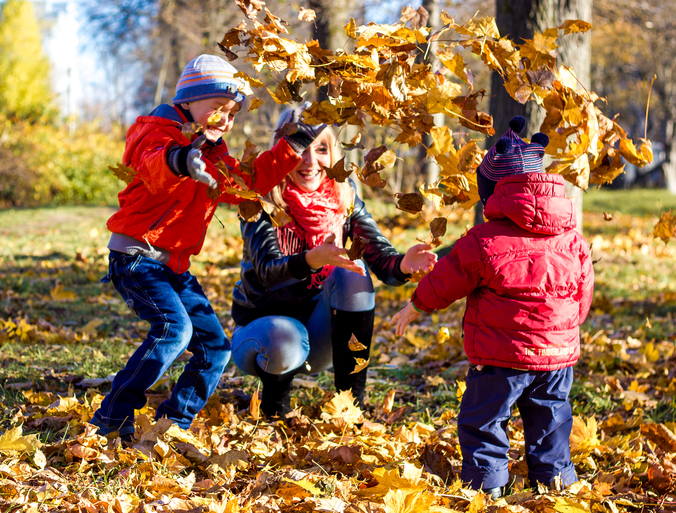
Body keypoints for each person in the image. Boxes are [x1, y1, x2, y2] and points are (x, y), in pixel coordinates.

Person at [90, 55, 326, 440]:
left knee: (216, 347)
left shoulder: (215, 154)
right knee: (174, 330)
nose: (225, 120)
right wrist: (182, 159)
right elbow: (153, 165)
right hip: (136, 257)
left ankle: (173, 423)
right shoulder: (155, 131)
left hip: (175, 269)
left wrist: (295, 143)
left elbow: (247, 183)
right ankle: (111, 417)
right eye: (217, 108)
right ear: (188, 101)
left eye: (232, 113)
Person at [391, 116, 594, 499]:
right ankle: (554, 486)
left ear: (493, 194)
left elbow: (444, 282)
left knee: (484, 420)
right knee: (550, 419)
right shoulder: (574, 240)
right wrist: (564, 328)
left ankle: (487, 489)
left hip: (501, 357)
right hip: (557, 355)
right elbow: (581, 297)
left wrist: (413, 307)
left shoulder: (483, 240)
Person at [230, 106, 437, 418]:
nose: (311, 161)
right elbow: (268, 273)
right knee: (283, 338)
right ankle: (274, 408)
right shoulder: (258, 199)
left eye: (322, 149)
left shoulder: (344, 197)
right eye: (300, 149)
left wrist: (402, 266)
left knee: (355, 271)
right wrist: (312, 260)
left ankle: (349, 408)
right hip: (263, 332)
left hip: (322, 333)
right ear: (281, 152)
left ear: (334, 154)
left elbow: (379, 257)